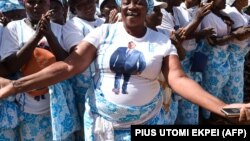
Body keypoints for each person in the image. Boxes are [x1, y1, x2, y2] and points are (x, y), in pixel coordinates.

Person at [0, 0, 250, 140]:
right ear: (120, 7)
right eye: (127, 1)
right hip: (102, 128)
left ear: (147, 7)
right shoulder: (103, 33)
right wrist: (15, 85)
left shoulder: (161, 41)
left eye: (139, 2)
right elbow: (68, 65)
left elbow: (178, 78)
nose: (132, 6)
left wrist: (223, 108)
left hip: (147, 123)